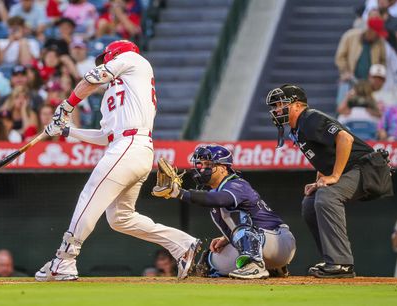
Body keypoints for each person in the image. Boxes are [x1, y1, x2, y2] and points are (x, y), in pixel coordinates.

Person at [36, 40, 200, 281]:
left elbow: (92, 78)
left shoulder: (135, 60)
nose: (105, 62)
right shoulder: (117, 94)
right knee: (120, 219)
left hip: (131, 146)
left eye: (107, 58)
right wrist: (67, 130)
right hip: (128, 147)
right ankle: (182, 244)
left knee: (89, 194)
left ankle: (65, 260)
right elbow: (105, 136)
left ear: (115, 54)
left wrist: (67, 105)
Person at [265, 84, 393, 278]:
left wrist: (333, 177)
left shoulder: (309, 118)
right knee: (310, 203)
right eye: (274, 107)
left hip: (367, 168)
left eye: (281, 104)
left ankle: (342, 263)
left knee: (327, 195)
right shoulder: (298, 127)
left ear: (298, 105)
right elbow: (324, 159)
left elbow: (344, 138)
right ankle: (332, 259)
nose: (276, 110)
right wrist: (320, 180)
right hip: (352, 170)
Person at [152, 145, 296, 279]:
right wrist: (227, 238)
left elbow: (221, 200)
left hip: (279, 241)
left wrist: (179, 192)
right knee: (210, 262)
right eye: (202, 165)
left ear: (223, 168)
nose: (202, 169)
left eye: (208, 165)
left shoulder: (236, 183)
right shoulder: (218, 189)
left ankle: (255, 264)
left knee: (233, 214)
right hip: (264, 245)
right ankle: (273, 269)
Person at [335, 16, 387, 104]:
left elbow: (383, 60)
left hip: (370, 84)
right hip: (351, 80)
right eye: (376, 32)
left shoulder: (380, 41)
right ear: (370, 30)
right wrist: (345, 71)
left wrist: (377, 76)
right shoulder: (350, 36)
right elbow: (340, 57)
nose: (378, 35)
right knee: (343, 102)